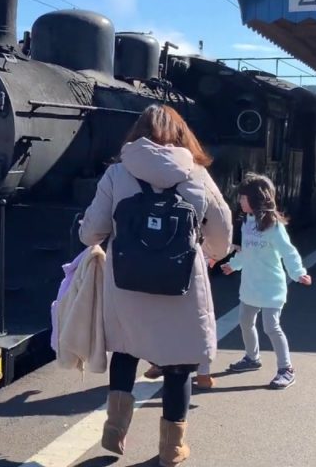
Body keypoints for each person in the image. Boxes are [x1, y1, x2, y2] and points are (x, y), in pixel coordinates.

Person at [80, 104, 232, 466]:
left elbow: (91, 232)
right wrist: (207, 252)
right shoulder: (197, 175)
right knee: (179, 364)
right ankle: (172, 448)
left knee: (125, 349)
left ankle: (114, 430)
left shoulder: (117, 174)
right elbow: (222, 236)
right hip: (181, 283)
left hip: (126, 283)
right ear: (182, 135)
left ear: (137, 133)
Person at [220, 173, 311, 390]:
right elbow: (247, 251)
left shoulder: (274, 226)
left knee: (272, 326)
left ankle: (286, 369)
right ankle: (252, 358)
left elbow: (288, 252)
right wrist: (234, 264)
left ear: (256, 198)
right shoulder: (247, 223)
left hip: (271, 287)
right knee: (245, 322)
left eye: (243, 197)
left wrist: (298, 273)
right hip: (250, 285)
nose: (239, 201)